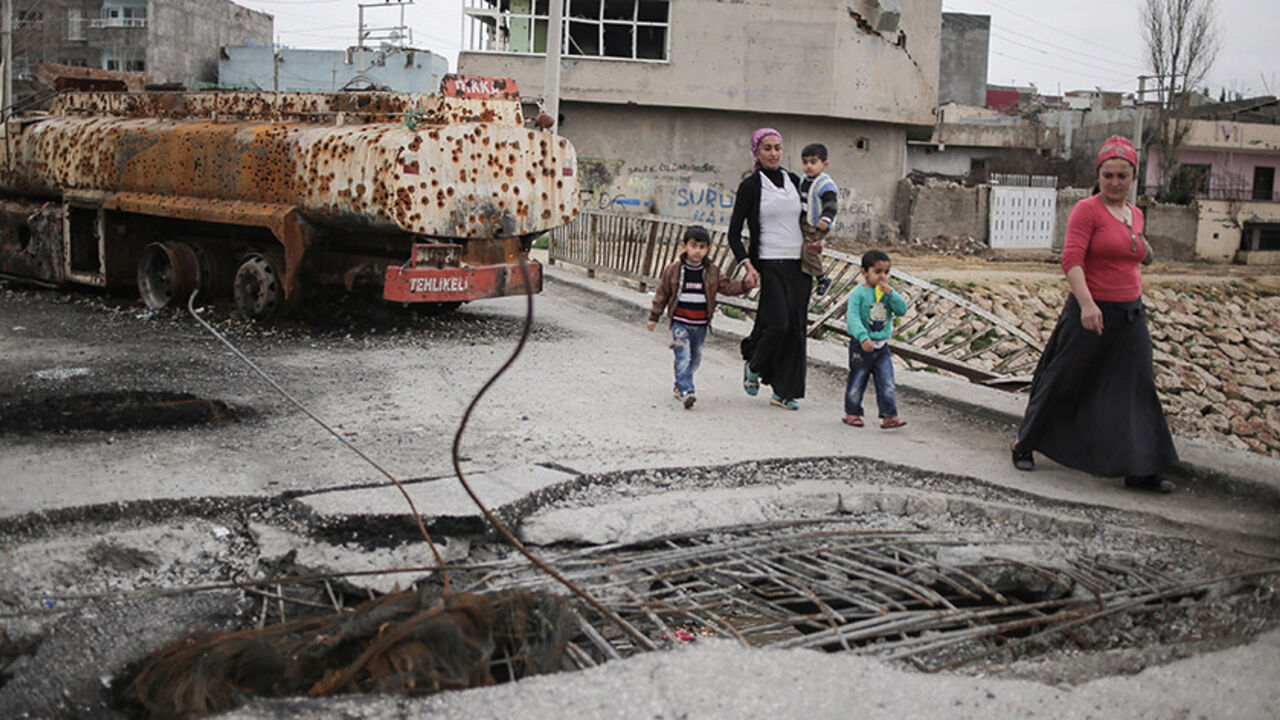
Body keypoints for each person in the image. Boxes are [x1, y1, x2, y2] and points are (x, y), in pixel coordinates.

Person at [1011, 135, 1179, 493]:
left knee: (1137, 388)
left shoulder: (1134, 214)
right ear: (1098, 175)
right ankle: (1024, 443)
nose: (1115, 183)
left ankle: (1140, 468)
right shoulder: (1087, 210)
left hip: (1131, 314)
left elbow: (1137, 251)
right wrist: (1087, 304)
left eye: (1122, 176)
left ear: (1133, 176)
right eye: (1108, 176)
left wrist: (1143, 248)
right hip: (1090, 311)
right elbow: (1071, 260)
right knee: (1063, 379)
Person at [728, 128, 810, 411]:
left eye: (777, 147)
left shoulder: (795, 181)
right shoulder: (751, 185)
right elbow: (734, 234)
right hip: (769, 262)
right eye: (767, 148)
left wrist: (818, 240)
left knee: (796, 329)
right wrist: (747, 265)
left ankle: (784, 392)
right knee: (778, 324)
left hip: (799, 265)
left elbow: (808, 221)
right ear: (756, 152)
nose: (774, 153)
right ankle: (755, 363)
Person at [648, 225, 754, 409]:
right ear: (684, 246)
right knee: (683, 356)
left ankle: (679, 385)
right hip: (680, 323)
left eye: (702, 247)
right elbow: (662, 294)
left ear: (708, 249)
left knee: (695, 358)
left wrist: (746, 285)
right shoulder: (673, 270)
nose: (697, 251)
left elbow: (727, 287)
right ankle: (687, 391)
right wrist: (654, 317)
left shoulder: (712, 271)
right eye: (693, 246)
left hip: (701, 325)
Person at [843, 249, 909, 429]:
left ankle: (889, 415)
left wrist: (891, 294)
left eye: (886, 272)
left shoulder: (886, 293)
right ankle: (852, 412)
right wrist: (863, 337)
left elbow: (902, 309)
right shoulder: (858, 294)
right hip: (861, 346)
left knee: (887, 381)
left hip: (882, 347)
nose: (882, 277)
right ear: (864, 272)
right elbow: (853, 318)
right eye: (877, 272)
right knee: (858, 379)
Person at [799, 143, 839, 297]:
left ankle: (822, 278)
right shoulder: (804, 180)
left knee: (810, 250)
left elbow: (831, 204)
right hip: (805, 221)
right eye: (805, 162)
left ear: (824, 164)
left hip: (818, 224)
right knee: (802, 249)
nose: (808, 166)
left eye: (813, 162)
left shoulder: (825, 184)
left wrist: (826, 219)